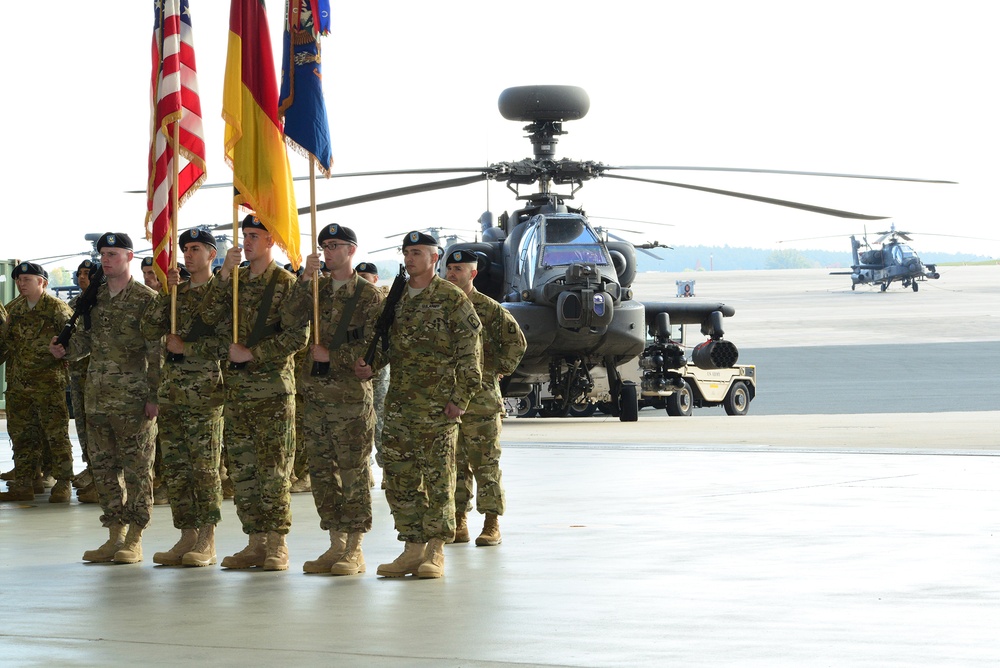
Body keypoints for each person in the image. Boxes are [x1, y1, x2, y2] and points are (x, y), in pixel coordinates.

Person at [354, 231, 482, 579]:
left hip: (437, 409)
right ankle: (412, 547)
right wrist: (370, 364)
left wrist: (460, 399)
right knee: (399, 479)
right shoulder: (396, 297)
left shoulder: (451, 299)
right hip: (398, 407)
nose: (410, 258)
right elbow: (384, 345)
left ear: (434, 258)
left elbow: (471, 357)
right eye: (407, 252)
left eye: (418, 252)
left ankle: (436, 551)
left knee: (439, 481)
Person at [199, 215, 308, 571]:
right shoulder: (236, 280)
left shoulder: (286, 283)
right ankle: (255, 541)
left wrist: (254, 353)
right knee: (244, 470)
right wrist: (223, 275)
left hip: (272, 391)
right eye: (244, 235)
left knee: (274, 470)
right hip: (237, 391)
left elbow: (297, 336)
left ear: (271, 241)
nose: (246, 242)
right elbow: (207, 317)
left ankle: (277, 544)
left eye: (255, 236)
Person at [49, 232, 160, 564]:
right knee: (104, 471)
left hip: (134, 400)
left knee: (138, 471)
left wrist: (155, 396)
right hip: (97, 398)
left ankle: (135, 538)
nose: (106, 259)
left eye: (113, 253)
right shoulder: (93, 298)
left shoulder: (146, 299)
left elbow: (156, 353)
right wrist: (64, 348)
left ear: (129, 257)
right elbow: (87, 344)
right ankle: (115, 535)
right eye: (103, 254)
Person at [288, 225, 383, 575]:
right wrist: (303, 280)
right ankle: (336, 543)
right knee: (321, 474)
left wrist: (334, 357)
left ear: (351, 250)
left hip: (350, 400)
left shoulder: (368, 296)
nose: (328, 252)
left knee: (352, 472)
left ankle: (355, 548)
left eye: (335, 246)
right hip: (315, 398)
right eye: (324, 246)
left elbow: (375, 348)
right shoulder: (317, 290)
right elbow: (287, 319)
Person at [140, 229, 226, 567]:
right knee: (176, 469)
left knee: (204, 468)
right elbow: (149, 328)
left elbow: (227, 344)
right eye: (185, 249)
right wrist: (166, 294)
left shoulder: (220, 294)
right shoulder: (178, 292)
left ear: (211, 254)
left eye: (195, 249)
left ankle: (207, 538)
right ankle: (187, 534)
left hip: (203, 393)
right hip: (172, 392)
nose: (187, 255)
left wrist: (187, 347)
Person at [444, 250, 526, 545]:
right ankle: (459, 521)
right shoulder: (441, 305)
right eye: (449, 268)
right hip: (449, 397)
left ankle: (491, 523)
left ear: (473, 274)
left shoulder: (489, 309)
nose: (452, 274)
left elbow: (516, 342)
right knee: (454, 464)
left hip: (481, 401)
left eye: (458, 269)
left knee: (485, 463)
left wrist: (497, 369)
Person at [0, 262, 75, 503]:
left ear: (42, 282)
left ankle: (63, 482)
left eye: (27, 280)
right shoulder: (15, 310)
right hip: (19, 385)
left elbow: (74, 343)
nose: (21, 284)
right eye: (19, 280)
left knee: (56, 435)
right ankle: (24, 482)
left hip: (48, 384)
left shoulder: (57, 309)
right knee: (21, 435)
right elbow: (6, 344)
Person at [355, 261, 390, 483]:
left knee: (381, 422)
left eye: (365, 277)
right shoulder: (351, 304)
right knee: (359, 423)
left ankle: (387, 470)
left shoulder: (384, 303)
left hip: (378, 373)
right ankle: (365, 469)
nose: (361, 281)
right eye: (358, 277)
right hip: (357, 371)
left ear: (375, 279)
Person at [68, 260, 99, 503]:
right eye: (79, 274)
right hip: (78, 377)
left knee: (99, 428)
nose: (82, 277)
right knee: (82, 425)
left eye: (87, 274)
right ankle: (91, 468)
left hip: (99, 376)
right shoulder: (75, 304)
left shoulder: (102, 303)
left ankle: (101, 477)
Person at [139, 256, 169, 506]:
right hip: (150, 379)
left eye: (153, 272)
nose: (149, 278)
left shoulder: (174, 300)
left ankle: (165, 482)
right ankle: (159, 480)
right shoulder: (147, 304)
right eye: (146, 272)